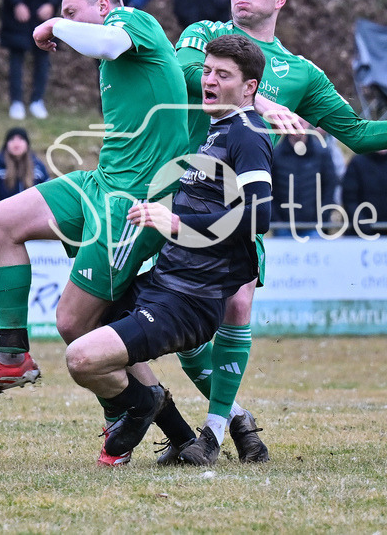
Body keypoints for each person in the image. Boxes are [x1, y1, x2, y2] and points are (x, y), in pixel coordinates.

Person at [173, 0, 387, 462]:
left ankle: (213, 433)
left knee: (238, 305)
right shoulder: (202, 35)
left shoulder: (300, 74)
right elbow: (180, 77)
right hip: (182, 196)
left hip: (240, 206)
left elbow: (357, 134)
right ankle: (234, 417)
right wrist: (259, 103)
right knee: (178, 329)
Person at [0, 0, 198, 469]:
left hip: (133, 205)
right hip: (101, 185)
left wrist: (52, 26)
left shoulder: (136, 23)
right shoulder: (114, 54)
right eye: (63, 14)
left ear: (104, 7)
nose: (67, 22)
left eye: (73, 11)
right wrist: (65, 25)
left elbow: (108, 41)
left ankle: (138, 411)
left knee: (76, 326)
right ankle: (12, 356)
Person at [65, 34, 273, 467]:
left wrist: (176, 223)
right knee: (79, 316)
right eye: (208, 71)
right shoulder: (214, 133)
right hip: (163, 284)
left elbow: (258, 217)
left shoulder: (248, 135)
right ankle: (178, 427)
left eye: (223, 74)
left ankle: (147, 406)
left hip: (188, 300)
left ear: (249, 87)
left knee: (82, 359)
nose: (209, 81)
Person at [270, 125, 339, 238]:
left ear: (308, 123)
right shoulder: (275, 155)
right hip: (283, 229)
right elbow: (268, 191)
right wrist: (275, 220)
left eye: (301, 122)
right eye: (293, 123)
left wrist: (322, 218)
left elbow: (330, 187)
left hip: (314, 228)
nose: (297, 126)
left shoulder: (322, 154)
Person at [0, 127, 49, 216]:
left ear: (27, 144)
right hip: (3, 222)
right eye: (12, 139)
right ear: (6, 144)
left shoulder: (38, 167)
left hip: (34, 223)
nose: (16, 143)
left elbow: (49, 195)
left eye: (21, 139)